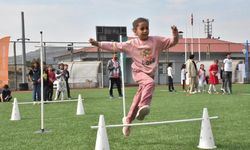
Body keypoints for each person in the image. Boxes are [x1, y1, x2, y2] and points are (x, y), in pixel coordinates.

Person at [89, 17, 179, 136]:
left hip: (150, 74)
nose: (145, 31)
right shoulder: (132, 44)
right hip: (138, 72)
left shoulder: (156, 41)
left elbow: (172, 42)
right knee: (150, 84)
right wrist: (98, 44)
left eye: (147, 28)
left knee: (138, 98)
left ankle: (128, 120)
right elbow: (114, 46)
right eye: (142, 29)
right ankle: (144, 106)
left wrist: (175, 34)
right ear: (135, 31)